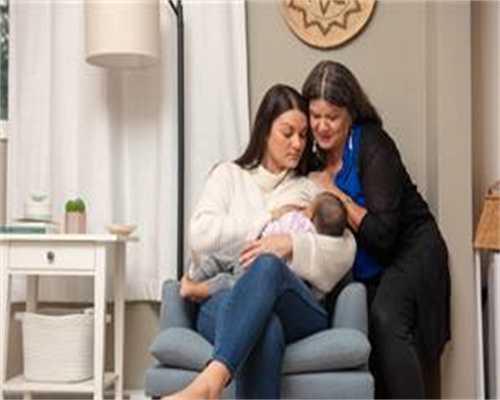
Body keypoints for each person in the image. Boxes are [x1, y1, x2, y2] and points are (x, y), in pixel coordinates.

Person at [162, 84, 356, 400]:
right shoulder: (228, 176)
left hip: (297, 304)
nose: (297, 144)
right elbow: (201, 234)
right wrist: (266, 218)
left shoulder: (309, 189)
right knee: (265, 328)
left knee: (267, 264)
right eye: (287, 133)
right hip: (226, 297)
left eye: (303, 135)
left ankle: (209, 382)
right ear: (265, 131)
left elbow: (346, 250)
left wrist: (291, 244)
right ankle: (211, 385)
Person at [301, 60, 450, 398]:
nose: (322, 126)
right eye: (315, 116)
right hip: (365, 266)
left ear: (351, 114)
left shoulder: (373, 144)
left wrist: (334, 193)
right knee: (358, 332)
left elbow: (384, 235)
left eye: (332, 117)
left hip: (410, 248)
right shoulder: (313, 157)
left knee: (385, 317)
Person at [182, 191, 347, 300]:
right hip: (260, 267)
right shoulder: (318, 243)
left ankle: (194, 280)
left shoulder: (298, 221)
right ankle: (196, 287)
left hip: (254, 255)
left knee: (221, 260)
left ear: (310, 214)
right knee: (231, 282)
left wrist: (275, 217)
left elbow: (272, 231)